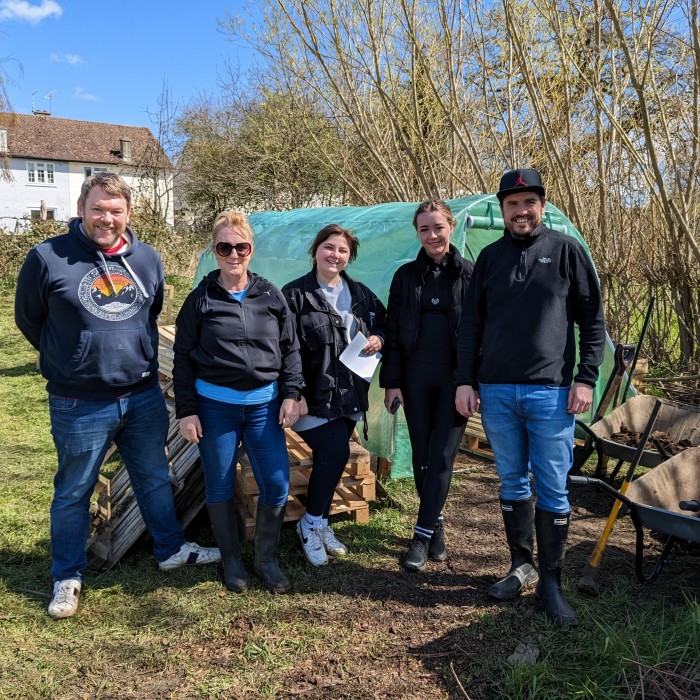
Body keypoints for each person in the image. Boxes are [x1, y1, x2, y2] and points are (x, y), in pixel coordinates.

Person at [14, 173, 221, 620]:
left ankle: (170, 549)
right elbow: (29, 320)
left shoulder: (147, 258)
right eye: (98, 209)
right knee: (74, 490)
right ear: (82, 208)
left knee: (154, 476)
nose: (106, 218)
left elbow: (154, 310)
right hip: (78, 401)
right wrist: (72, 359)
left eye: (115, 210)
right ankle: (67, 574)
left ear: (128, 213)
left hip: (142, 393)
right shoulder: (48, 257)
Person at [455, 168, 606, 627]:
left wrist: (585, 378)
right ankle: (520, 566)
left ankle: (551, 583)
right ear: (502, 210)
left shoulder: (566, 252)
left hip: (552, 392)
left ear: (542, 206)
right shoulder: (490, 259)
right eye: (512, 204)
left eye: (529, 202)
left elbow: (592, 322)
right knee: (512, 482)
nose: (521, 211)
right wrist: (467, 380)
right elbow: (471, 326)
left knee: (553, 486)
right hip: (497, 391)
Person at [173, 211, 304, 594]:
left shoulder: (270, 294)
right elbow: (182, 357)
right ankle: (232, 560)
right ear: (214, 251)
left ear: (251, 249)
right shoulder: (200, 300)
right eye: (224, 247)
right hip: (216, 409)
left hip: (264, 407)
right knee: (220, 484)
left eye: (241, 246)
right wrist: (187, 410)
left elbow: (290, 348)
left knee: (277, 484)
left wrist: (292, 394)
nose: (234, 254)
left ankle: (266, 559)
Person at [282, 224, 386, 566]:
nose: (335, 255)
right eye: (329, 247)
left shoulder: (360, 293)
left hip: (348, 395)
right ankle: (309, 525)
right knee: (334, 451)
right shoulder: (295, 295)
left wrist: (379, 339)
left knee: (335, 457)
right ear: (316, 250)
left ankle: (319, 522)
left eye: (342, 251)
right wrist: (294, 392)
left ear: (349, 257)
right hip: (310, 397)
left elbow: (386, 323)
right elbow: (286, 349)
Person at [379, 200, 474, 571]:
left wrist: (470, 381)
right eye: (424, 229)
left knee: (442, 458)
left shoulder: (469, 273)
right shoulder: (405, 276)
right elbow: (393, 333)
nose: (432, 235)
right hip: (416, 377)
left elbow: (478, 332)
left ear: (451, 227)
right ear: (417, 234)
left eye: (438, 227)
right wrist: (392, 383)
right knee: (420, 457)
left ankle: (420, 535)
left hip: (454, 380)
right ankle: (436, 525)